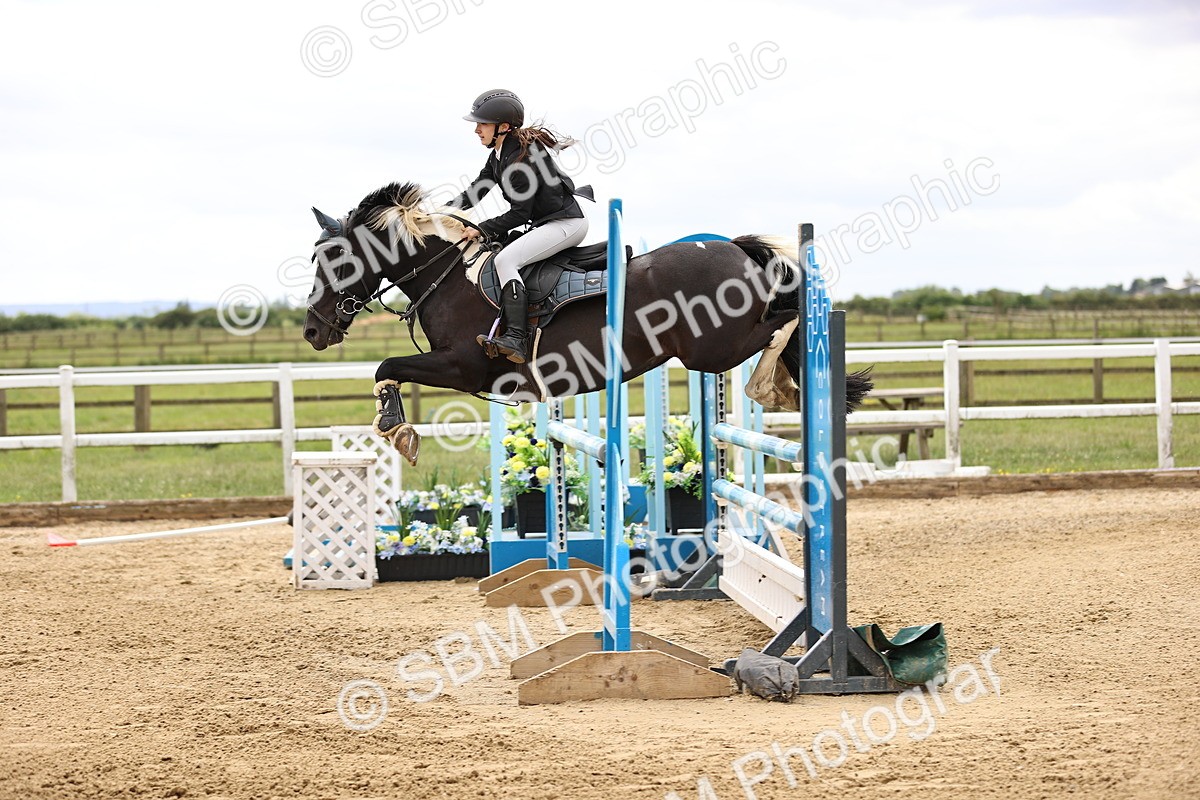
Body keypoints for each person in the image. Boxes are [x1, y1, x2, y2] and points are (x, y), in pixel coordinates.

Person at [447, 89, 590, 364]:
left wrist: (483, 228)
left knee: (505, 261)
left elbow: (519, 213)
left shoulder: (518, 159)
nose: (476, 130)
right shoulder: (500, 154)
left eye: (482, 124)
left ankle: (515, 338)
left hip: (566, 224)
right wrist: (437, 214)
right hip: (547, 223)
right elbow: (475, 192)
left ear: (503, 127)